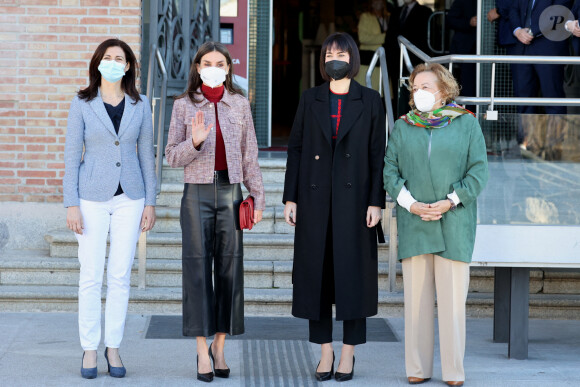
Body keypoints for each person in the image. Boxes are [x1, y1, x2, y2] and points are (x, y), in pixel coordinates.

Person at [283, 32, 386, 382]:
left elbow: (377, 155)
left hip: (356, 204)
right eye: (328, 53)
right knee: (317, 279)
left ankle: (348, 354)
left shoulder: (371, 101)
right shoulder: (310, 98)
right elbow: (295, 149)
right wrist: (291, 196)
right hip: (314, 201)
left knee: (353, 279)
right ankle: (325, 351)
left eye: (340, 53)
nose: (333, 58)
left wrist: (377, 201)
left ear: (353, 58)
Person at [383, 63, 488, 386]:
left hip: (454, 222)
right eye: (415, 88)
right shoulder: (404, 126)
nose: (420, 93)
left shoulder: (467, 124)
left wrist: (451, 201)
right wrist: (411, 204)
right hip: (415, 222)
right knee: (416, 303)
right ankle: (417, 368)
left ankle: (454, 372)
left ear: (444, 89)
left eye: (426, 86)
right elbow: (390, 171)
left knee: (453, 304)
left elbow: (478, 171)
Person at [165, 41, 265, 383]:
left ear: (227, 68)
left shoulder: (238, 103)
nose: (212, 66)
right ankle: (200, 349)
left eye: (218, 62)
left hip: (231, 193)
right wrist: (193, 142)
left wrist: (259, 197)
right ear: (197, 66)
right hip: (196, 194)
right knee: (196, 269)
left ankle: (220, 346)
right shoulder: (183, 105)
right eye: (206, 62)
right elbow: (170, 157)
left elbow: (250, 153)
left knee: (229, 269)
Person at [64, 38, 157, 379]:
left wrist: (150, 201)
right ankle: (89, 349)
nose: (114, 62)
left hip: (130, 197)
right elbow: (72, 155)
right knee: (90, 275)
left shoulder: (140, 103)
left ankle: (113, 347)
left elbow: (147, 154)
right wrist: (71, 203)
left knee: (119, 276)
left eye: (120, 58)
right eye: (108, 57)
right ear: (98, 63)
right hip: (90, 197)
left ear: (129, 66)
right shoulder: (82, 102)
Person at [508, 0, 572, 114]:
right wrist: (518, 31)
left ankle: (556, 133)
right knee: (523, 99)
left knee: (553, 98)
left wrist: (531, 32)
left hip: (549, 50)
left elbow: (559, 11)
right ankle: (527, 132)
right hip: (523, 48)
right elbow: (513, 9)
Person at [447, 0, 477, 112]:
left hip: (489, 49)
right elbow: (450, 19)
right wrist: (469, 22)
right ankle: (469, 117)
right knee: (468, 87)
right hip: (467, 51)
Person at [399, 0, 433, 66]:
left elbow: (431, 37)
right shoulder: (396, 11)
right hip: (397, 61)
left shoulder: (425, 11)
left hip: (416, 59)